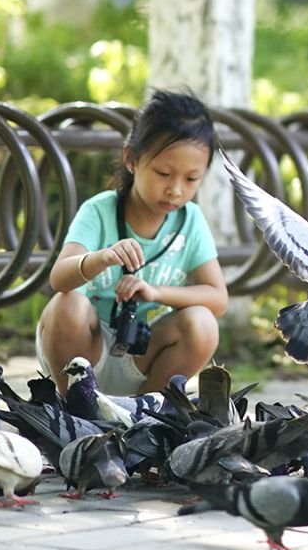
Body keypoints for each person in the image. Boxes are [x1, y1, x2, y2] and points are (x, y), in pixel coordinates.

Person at [38, 89, 228, 395]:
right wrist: (103, 258)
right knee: (67, 304)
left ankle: (145, 415)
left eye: (191, 179)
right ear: (131, 159)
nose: (176, 190)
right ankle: (76, 408)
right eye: (163, 173)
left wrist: (156, 292)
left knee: (203, 323)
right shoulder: (99, 211)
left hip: (143, 358)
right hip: (84, 352)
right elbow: (59, 278)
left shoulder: (190, 221)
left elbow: (217, 298)